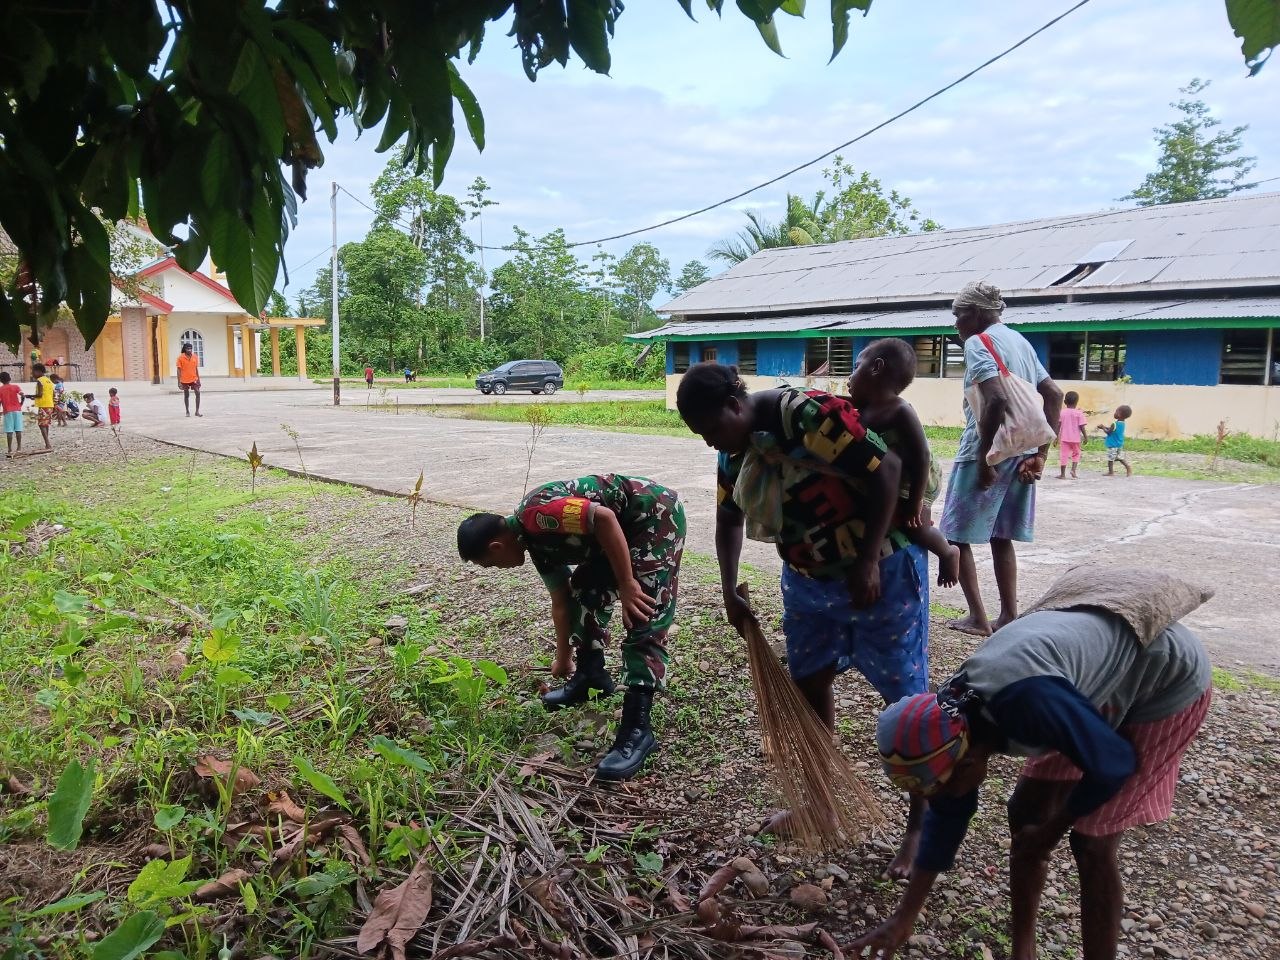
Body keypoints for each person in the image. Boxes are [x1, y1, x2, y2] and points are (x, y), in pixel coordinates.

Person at [856, 573, 1212, 960]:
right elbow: (947, 817)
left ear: (969, 760)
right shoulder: (952, 722)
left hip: (1163, 675)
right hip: (1079, 686)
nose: (944, 798)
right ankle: (1022, 953)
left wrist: (1051, 832)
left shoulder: (1025, 703)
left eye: (943, 788)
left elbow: (1113, 763)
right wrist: (905, 917)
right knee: (1026, 815)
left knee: (1090, 841)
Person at [676, 362, 929, 878]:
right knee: (809, 684)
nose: (710, 444)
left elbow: (889, 473)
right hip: (808, 581)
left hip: (881, 574)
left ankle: (920, 828)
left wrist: (865, 562)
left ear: (734, 405)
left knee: (908, 702)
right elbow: (729, 516)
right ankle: (820, 803)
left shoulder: (807, 416)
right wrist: (728, 587)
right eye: (701, 437)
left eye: (711, 430)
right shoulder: (736, 445)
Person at [457, 475, 686, 781]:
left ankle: (637, 727)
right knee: (585, 590)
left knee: (643, 611)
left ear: (496, 547)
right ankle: (591, 676)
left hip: (652, 515)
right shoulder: (536, 546)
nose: (497, 569)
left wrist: (628, 582)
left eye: (491, 564)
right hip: (619, 530)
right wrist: (563, 657)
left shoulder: (537, 517)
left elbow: (603, 517)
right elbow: (563, 599)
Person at [938, 280, 1062, 637]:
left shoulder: (978, 343)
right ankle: (1008, 614)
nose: (956, 324)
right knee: (1000, 535)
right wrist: (1040, 455)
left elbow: (996, 401)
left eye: (958, 315)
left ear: (975, 314)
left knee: (956, 535)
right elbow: (1053, 394)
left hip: (988, 448)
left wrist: (983, 459)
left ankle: (978, 617)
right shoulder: (1019, 341)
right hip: (1022, 453)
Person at [846, 338, 960, 588]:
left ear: (876, 367)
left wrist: (914, 501)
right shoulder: (864, 408)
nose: (851, 376)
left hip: (918, 478)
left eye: (856, 367)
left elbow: (921, 456)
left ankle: (948, 552)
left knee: (914, 526)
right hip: (896, 476)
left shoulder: (900, 410)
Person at [1057, 391, 1088, 479]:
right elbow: (1082, 427)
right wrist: (1086, 437)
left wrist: (1056, 437)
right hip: (1076, 439)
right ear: (1077, 402)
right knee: (1077, 454)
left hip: (1064, 438)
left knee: (1064, 455)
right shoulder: (1079, 413)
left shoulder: (1062, 412)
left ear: (1065, 402)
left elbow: (1058, 426)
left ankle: (1062, 474)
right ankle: (1073, 470)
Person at [1097, 405, 1132, 477]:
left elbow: (1109, 432)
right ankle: (1128, 467)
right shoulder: (1122, 423)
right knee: (1120, 458)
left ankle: (1111, 472)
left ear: (1119, 414)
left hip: (1113, 444)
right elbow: (1112, 429)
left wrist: (1102, 427)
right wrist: (1104, 427)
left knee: (1110, 459)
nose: (1115, 413)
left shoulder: (1114, 423)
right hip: (1119, 444)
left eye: (1116, 411)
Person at [27, 363, 54, 451]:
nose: (32, 374)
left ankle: (48, 444)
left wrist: (30, 396)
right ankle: (47, 444)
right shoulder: (48, 380)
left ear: (38, 371)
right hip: (50, 404)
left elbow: (39, 394)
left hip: (43, 405)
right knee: (45, 424)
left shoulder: (40, 381)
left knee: (41, 425)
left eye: (33, 372)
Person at [1, 372, 24, 457]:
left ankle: (10, 449)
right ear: (10, 378)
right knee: (18, 430)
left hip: (7, 411)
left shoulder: (1, 389)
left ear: (1, 380)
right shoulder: (16, 387)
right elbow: (22, 395)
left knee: (9, 431)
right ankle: (19, 447)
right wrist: (21, 403)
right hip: (17, 410)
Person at [177, 343, 202, 417]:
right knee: (186, 395)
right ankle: (187, 411)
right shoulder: (180, 358)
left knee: (198, 392)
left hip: (194, 378)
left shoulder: (195, 357)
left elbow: (196, 368)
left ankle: (197, 411)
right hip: (184, 379)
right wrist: (179, 382)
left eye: (191, 348)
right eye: (188, 349)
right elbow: (178, 370)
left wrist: (199, 379)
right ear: (185, 349)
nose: (189, 350)